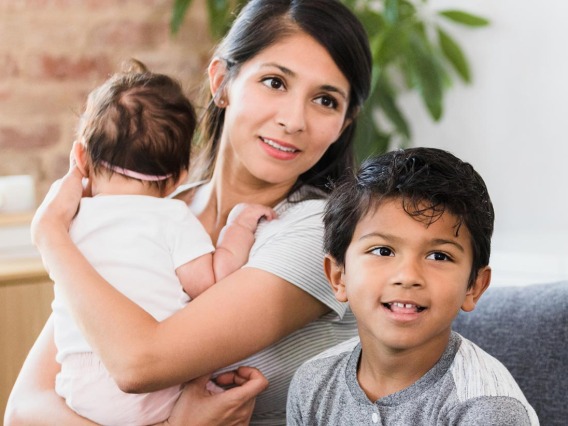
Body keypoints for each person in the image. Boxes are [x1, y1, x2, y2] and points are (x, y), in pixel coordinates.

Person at [4, 0, 372, 425]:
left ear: (344, 122)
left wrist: (51, 236)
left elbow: (139, 365)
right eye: (274, 82)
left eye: (325, 100)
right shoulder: (155, 212)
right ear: (221, 82)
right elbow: (24, 408)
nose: (293, 120)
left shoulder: (320, 234)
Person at [50, 60, 276, 425]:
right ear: (178, 178)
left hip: (75, 393)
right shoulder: (172, 216)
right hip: (149, 399)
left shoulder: (71, 221)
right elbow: (209, 282)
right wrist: (240, 225)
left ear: (79, 157)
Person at [286, 147, 540, 425]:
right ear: (338, 276)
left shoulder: (485, 409)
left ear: (474, 287)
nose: (407, 276)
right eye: (383, 251)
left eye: (438, 256)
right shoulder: (313, 382)